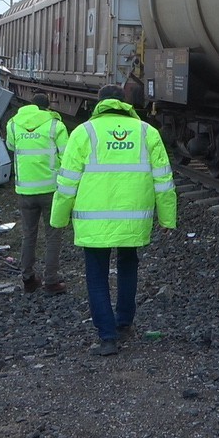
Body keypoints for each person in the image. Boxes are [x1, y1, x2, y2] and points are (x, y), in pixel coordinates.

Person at [51, 84, 177, 356]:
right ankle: (124, 323)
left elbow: (66, 182)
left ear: (99, 103)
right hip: (133, 220)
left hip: (94, 221)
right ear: (125, 103)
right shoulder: (147, 132)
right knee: (128, 267)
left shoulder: (83, 132)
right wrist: (167, 220)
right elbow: (164, 181)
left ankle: (107, 338)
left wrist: (58, 219)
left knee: (96, 276)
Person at [5, 92, 69, 294]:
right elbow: (66, 154)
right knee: (53, 236)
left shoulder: (13, 124)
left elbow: (10, 146)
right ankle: (51, 281)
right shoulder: (55, 125)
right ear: (48, 107)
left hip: (25, 190)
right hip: (51, 189)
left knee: (28, 234)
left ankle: (28, 279)